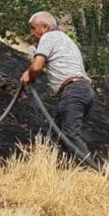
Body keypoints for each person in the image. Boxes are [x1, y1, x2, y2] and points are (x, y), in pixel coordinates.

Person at [20, 11, 94, 159]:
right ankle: (64, 173)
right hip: (83, 91)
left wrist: (29, 74)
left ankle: (94, 172)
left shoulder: (48, 37)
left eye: (33, 28)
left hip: (73, 91)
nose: (31, 33)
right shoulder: (62, 39)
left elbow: (36, 67)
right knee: (59, 136)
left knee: (69, 135)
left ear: (45, 27)